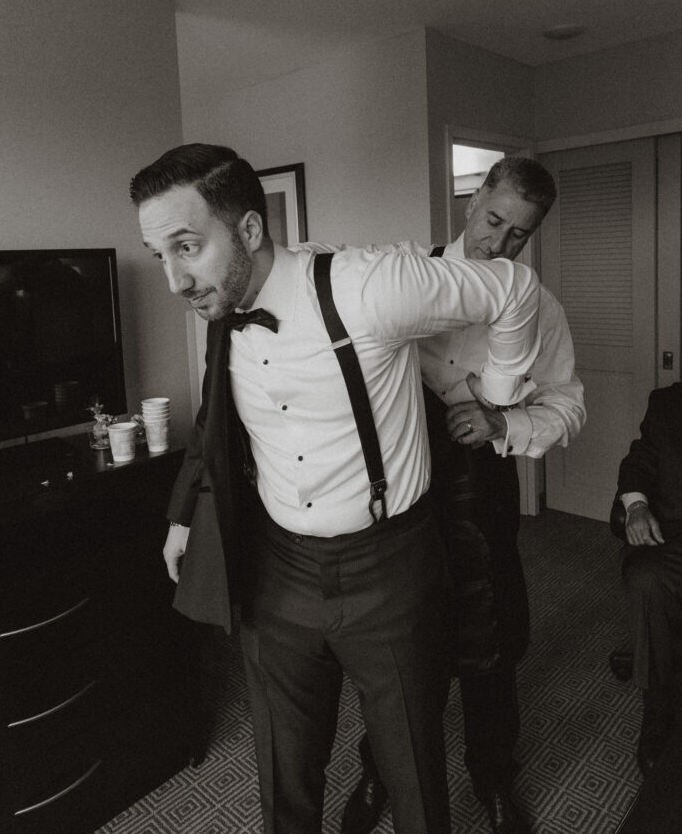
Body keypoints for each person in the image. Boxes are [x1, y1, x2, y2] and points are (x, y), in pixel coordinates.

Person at [130, 143, 541, 834]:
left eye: (186, 247)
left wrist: (496, 398)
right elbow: (214, 420)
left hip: (390, 566)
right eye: (159, 254)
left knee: (412, 770)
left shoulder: (371, 286)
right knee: (284, 775)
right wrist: (180, 519)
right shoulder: (220, 304)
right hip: (277, 569)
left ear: (251, 231)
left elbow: (514, 290)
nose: (173, 279)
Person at [342, 157, 585, 834]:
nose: (497, 244)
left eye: (518, 235)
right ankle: (378, 767)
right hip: (398, 502)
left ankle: (493, 777)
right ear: (472, 198)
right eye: (492, 220)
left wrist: (503, 421)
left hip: (481, 497)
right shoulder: (402, 284)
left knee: (488, 648)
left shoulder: (541, 308)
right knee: (396, 654)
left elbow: (568, 407)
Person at [610, 381, 682, 775]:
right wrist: (636, 507)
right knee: (646, 579)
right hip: (674, 537)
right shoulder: (668, 403)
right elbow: (637, 463)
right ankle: (657, 709)